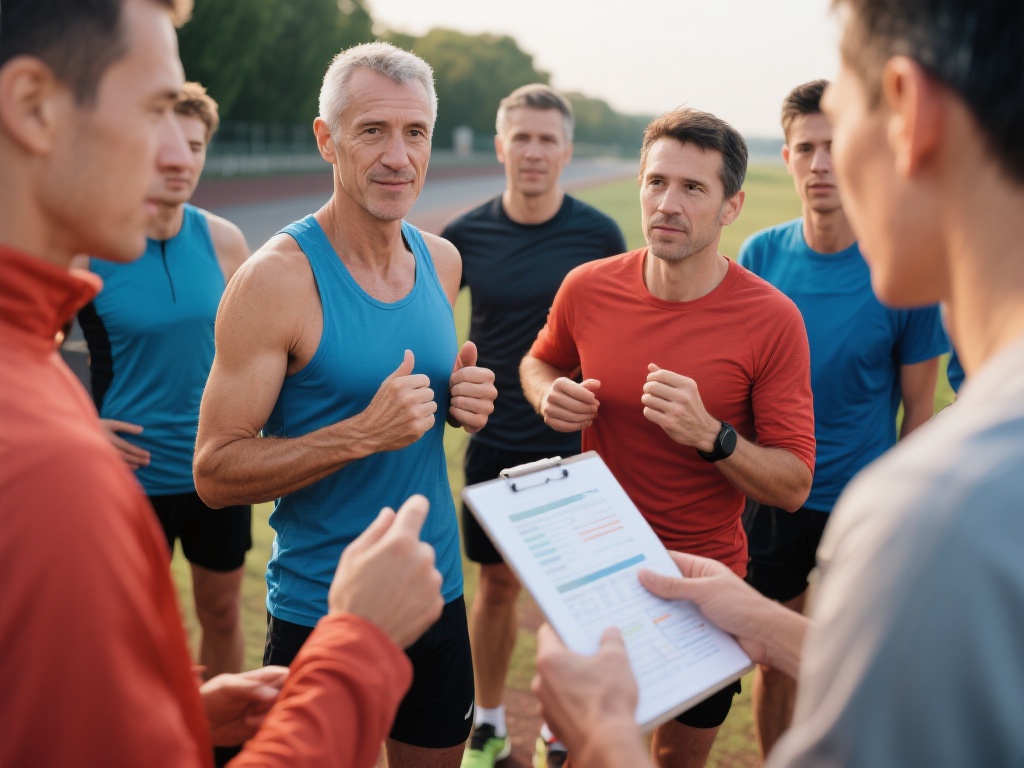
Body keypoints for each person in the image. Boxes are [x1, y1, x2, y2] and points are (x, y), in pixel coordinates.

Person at [531, 0, 1024, 765]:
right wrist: (767, 626)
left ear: (907, 115)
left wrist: (601, 738)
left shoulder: (942, 514)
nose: (819, 168)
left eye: (842, 128)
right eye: (656, 182)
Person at [0, 1, 447, 766]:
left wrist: (172, 717)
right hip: (296, 581)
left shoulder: (33, 392)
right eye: (154, 110)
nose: (179, 156)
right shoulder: (47, 463)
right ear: (34, 108)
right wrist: (357, 649)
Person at [193, 42, 498, 768]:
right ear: (327, 140)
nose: (399, 157)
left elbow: (410, 396)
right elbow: (214, 471)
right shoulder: (277, 279)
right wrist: (361, 433)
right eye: (373, 131)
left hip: (435, 590)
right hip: (322, 606)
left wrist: (459, 400)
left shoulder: (442, 260)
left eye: (415, 132)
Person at [520, 107, 816, 768]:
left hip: (704, 585)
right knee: (580, 753)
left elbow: (794, 484)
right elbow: (540, 360)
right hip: (593, 573)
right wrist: (549, 393)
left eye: (692, 188)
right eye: (656, 182)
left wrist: (713, 436)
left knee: (673, 762)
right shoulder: (589, 287)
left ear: (731, 206)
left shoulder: (771, 319)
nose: (668, 203)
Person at [736, 79, 947, 758]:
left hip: (864, 501)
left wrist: (902, 509)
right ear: (788, 157)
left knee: (861, 663)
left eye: (834, 146)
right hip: (773, 495)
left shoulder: (901, 265)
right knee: (774, 657)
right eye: (806, 148)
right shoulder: (761, 257)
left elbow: (921, 407)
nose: (821, 163)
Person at [441, 83, 626, 768]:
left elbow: (613, 340)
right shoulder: (464, 235)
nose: (534, 151)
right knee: (494, 590)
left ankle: (556, 728)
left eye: (548, 139)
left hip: (574, 449)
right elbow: (435, 334)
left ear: (567, 151)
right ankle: (489, 725)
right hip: (493, 444)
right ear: (501, 146)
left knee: (570, 597)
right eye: (522, 137)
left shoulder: (596, 235)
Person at [77, 82, 253, 702]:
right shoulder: (90, 245)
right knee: (133, 628)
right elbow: (21, 348)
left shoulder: (226, 241)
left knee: (224, 615)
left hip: (217, 470)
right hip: (128, 478)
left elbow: (262, 348)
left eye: (197, 146)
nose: (182, 162)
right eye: (166, 145)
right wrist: (78, 423)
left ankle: (222, 747)